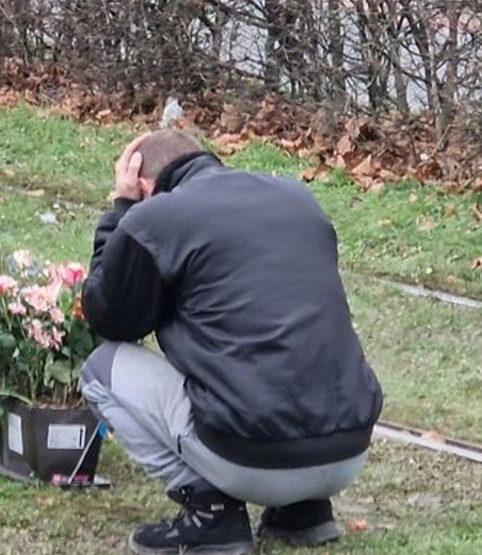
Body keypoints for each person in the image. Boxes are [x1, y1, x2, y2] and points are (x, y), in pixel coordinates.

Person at [80, 130, 383, 555]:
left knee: (101, 368)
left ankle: (212, 515)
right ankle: (304, 512)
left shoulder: (155, 216)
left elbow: (108, 317)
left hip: (250, 457)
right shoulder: (298, 199)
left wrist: (122, 211)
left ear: (143, 183)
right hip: (349, 449)